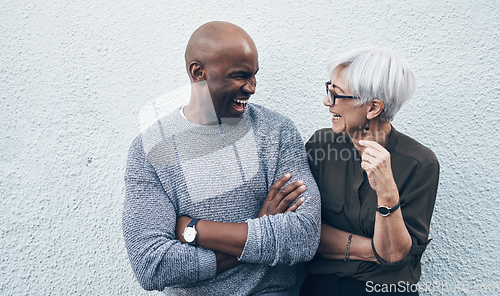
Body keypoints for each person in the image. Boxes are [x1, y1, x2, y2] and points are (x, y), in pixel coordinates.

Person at [122, 21, 321, 295]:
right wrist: (258, 229)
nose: (251, 87)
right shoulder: (150, 149)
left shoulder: (277, 132)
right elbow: (152, 265)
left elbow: (304, 235)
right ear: (198, 72)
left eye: (254, 75)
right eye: (240, 76)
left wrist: (196, 230)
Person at [300, 48, 439, 295]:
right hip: (322, 286)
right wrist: (373, 249)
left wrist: (387, 192)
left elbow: (395, 254)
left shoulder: (419, 163)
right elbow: (301, 230)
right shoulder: (320, 146)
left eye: (337, 95)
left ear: (373, 107)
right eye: (328, 90)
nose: (326, 102)